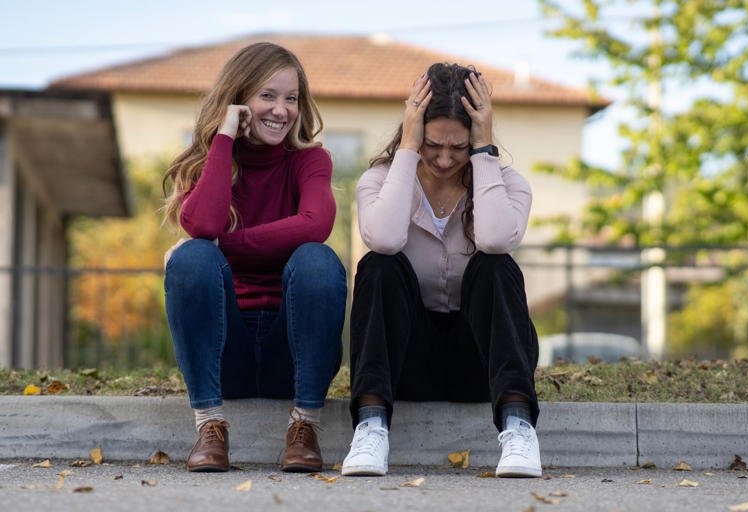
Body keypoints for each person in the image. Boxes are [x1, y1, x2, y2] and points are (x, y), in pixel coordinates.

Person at [341, 63, 541, 478]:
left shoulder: (507, 185)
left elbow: (495, 239)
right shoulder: (380, 181)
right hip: (406, 364)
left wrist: (485, 152)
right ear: (414, 130)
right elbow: (383, 238)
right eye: (433, 144)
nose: (446, 159)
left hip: (481, 367)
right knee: (378, 265)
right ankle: (371, 426)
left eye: (460, 146)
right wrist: (409, 151)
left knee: (494, 266)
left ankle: (519, 428)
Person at [161, 42, 346, 473]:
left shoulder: (310, 161)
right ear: (239, 99)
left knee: (317, 258)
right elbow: (203, 226)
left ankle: (305, 427)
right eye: (268, 95)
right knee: (191, 257)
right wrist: (224, 136)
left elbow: (314, 223)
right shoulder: (212, 163)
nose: (281, 110)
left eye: (291, 99)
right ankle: (209, 426)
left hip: (292, 350)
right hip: (226, 352)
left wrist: (227, 245)